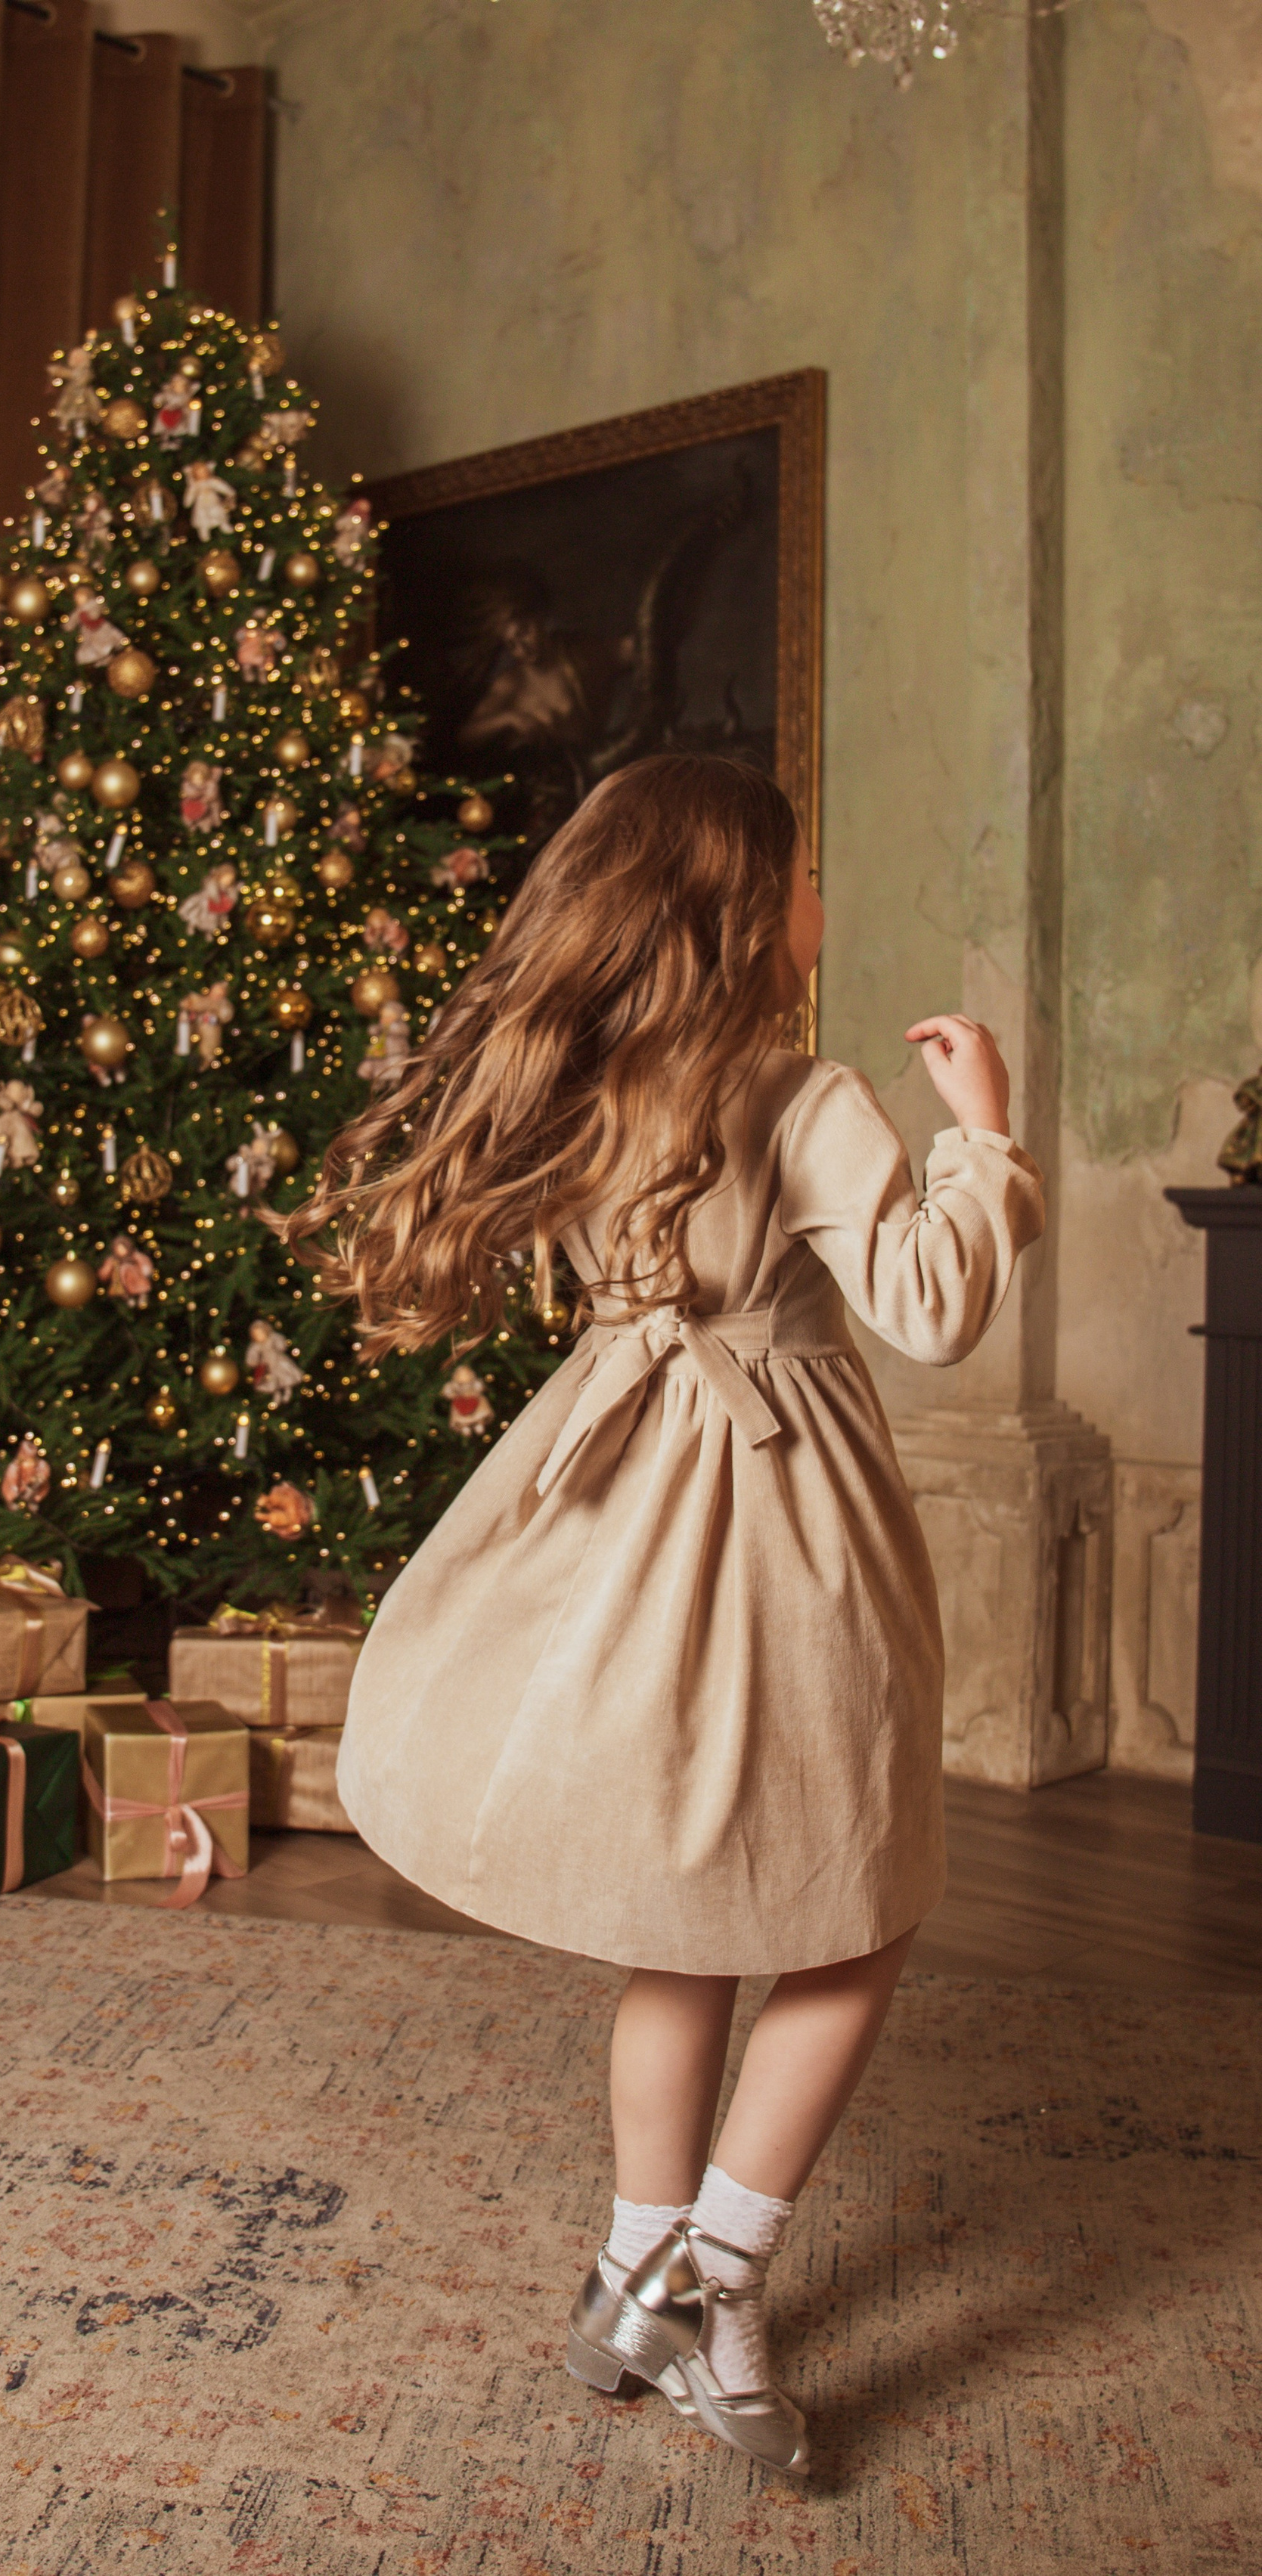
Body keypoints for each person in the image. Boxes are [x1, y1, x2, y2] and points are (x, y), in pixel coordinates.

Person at [280, 753, 1043, 2480]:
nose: (821, 901)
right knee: (857, 1902)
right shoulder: (798, 1094)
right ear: (744, 910)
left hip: (622, 1500)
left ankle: (638, 2268)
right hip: (780, 1526)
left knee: (682, 1914)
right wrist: (984, 1135)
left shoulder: (599, 1085)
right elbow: (924, 1309)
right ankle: (713, 2277)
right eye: (807, 874)